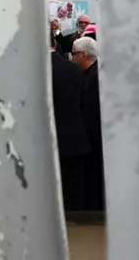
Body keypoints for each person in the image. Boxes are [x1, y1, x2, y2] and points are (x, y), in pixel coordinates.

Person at [50, 34, 91, 210]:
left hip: (44, 143)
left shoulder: (31, 71)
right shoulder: (75, 69)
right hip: (75, 140)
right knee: (74, 193)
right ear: (54, 43)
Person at [71, 37, 104, 211]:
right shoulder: (94, 74)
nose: (72, 58)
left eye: (74, 54)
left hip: (95, 143)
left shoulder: (93, 78)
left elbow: (92, 115)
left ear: (83, 55)